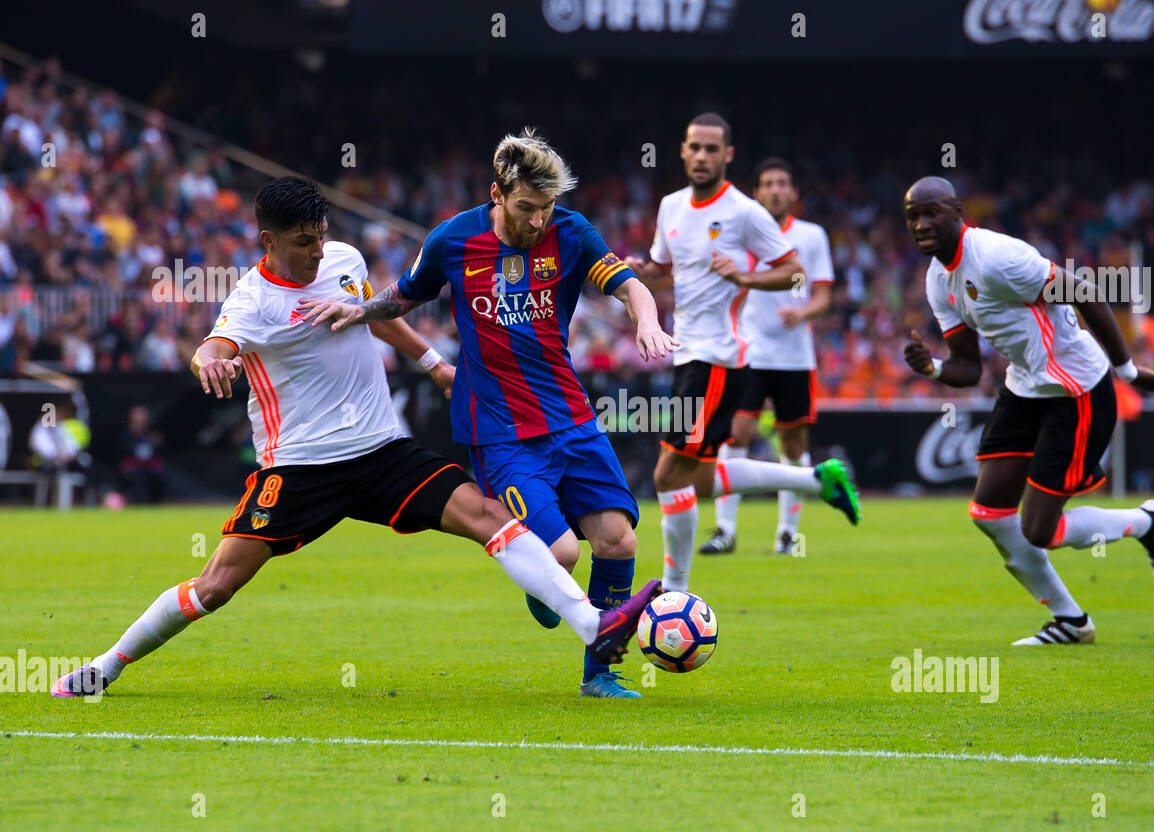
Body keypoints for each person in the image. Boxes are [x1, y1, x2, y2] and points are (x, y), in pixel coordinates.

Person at [52, 176, 658, 698]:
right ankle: (106, 667)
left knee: (486, 514)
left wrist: (433, 364)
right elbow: (216, 343)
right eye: (302, 242)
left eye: (321, 234)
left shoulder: (345, 260)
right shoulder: (252, 301)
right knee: (218, 584)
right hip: (299, 467)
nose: (318, 251)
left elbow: (379, 315)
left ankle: (591, 624)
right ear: (270, 241)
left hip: (381, 451)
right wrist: (209, 359)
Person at [297, 132, 676, 698]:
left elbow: (629, 287)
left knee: (619, 542)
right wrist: (357, 310)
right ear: (496, 194)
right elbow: (402, 297)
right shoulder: (454, 240)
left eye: (546, 207)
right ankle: (544, 579)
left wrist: (646, 320)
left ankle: (600, 674)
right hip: (500, 431)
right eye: (526, 208)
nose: (538, 220)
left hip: (570, 416)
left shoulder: (571, 233)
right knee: (562, 553)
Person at [900, 176, 1154, 646]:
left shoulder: (996, 257)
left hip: (1077, 389)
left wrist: (1129, 372)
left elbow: (1085, 291)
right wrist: (932, 368)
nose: (922, 223)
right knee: (988, 514)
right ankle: (1071, 621)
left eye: (932, 212)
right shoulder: (937, 280)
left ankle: (1148, 523)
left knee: (1037, 529)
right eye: (913, 215)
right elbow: (968, 366)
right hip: (1026, 386)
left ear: (957, 212)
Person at [624, 114, 859, 593]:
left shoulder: (744, 211)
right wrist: (637, 271)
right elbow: (664, 269)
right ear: (684, 151)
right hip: (687, 353)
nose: (704, 156)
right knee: (702, 477)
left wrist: (744, 277)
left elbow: (793, 272)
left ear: (728, 155)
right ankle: (819, 481)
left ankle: (674, 593)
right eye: (696, 148)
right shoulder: (670, 207)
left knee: (668, 473)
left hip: (717, 358)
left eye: (714, 149)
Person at [703, 157, 834, 555]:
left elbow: (824, 296)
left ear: (792, 192)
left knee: (792, 445)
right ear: (757, 193)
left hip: (795, 358)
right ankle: (724, 530)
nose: (775, 190)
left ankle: (787, 535)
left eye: (782, 183)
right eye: (768, 184)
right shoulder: (743, 235)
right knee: (736, 435)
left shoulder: (811, 236)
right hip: (749, 353)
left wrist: (803, 312)